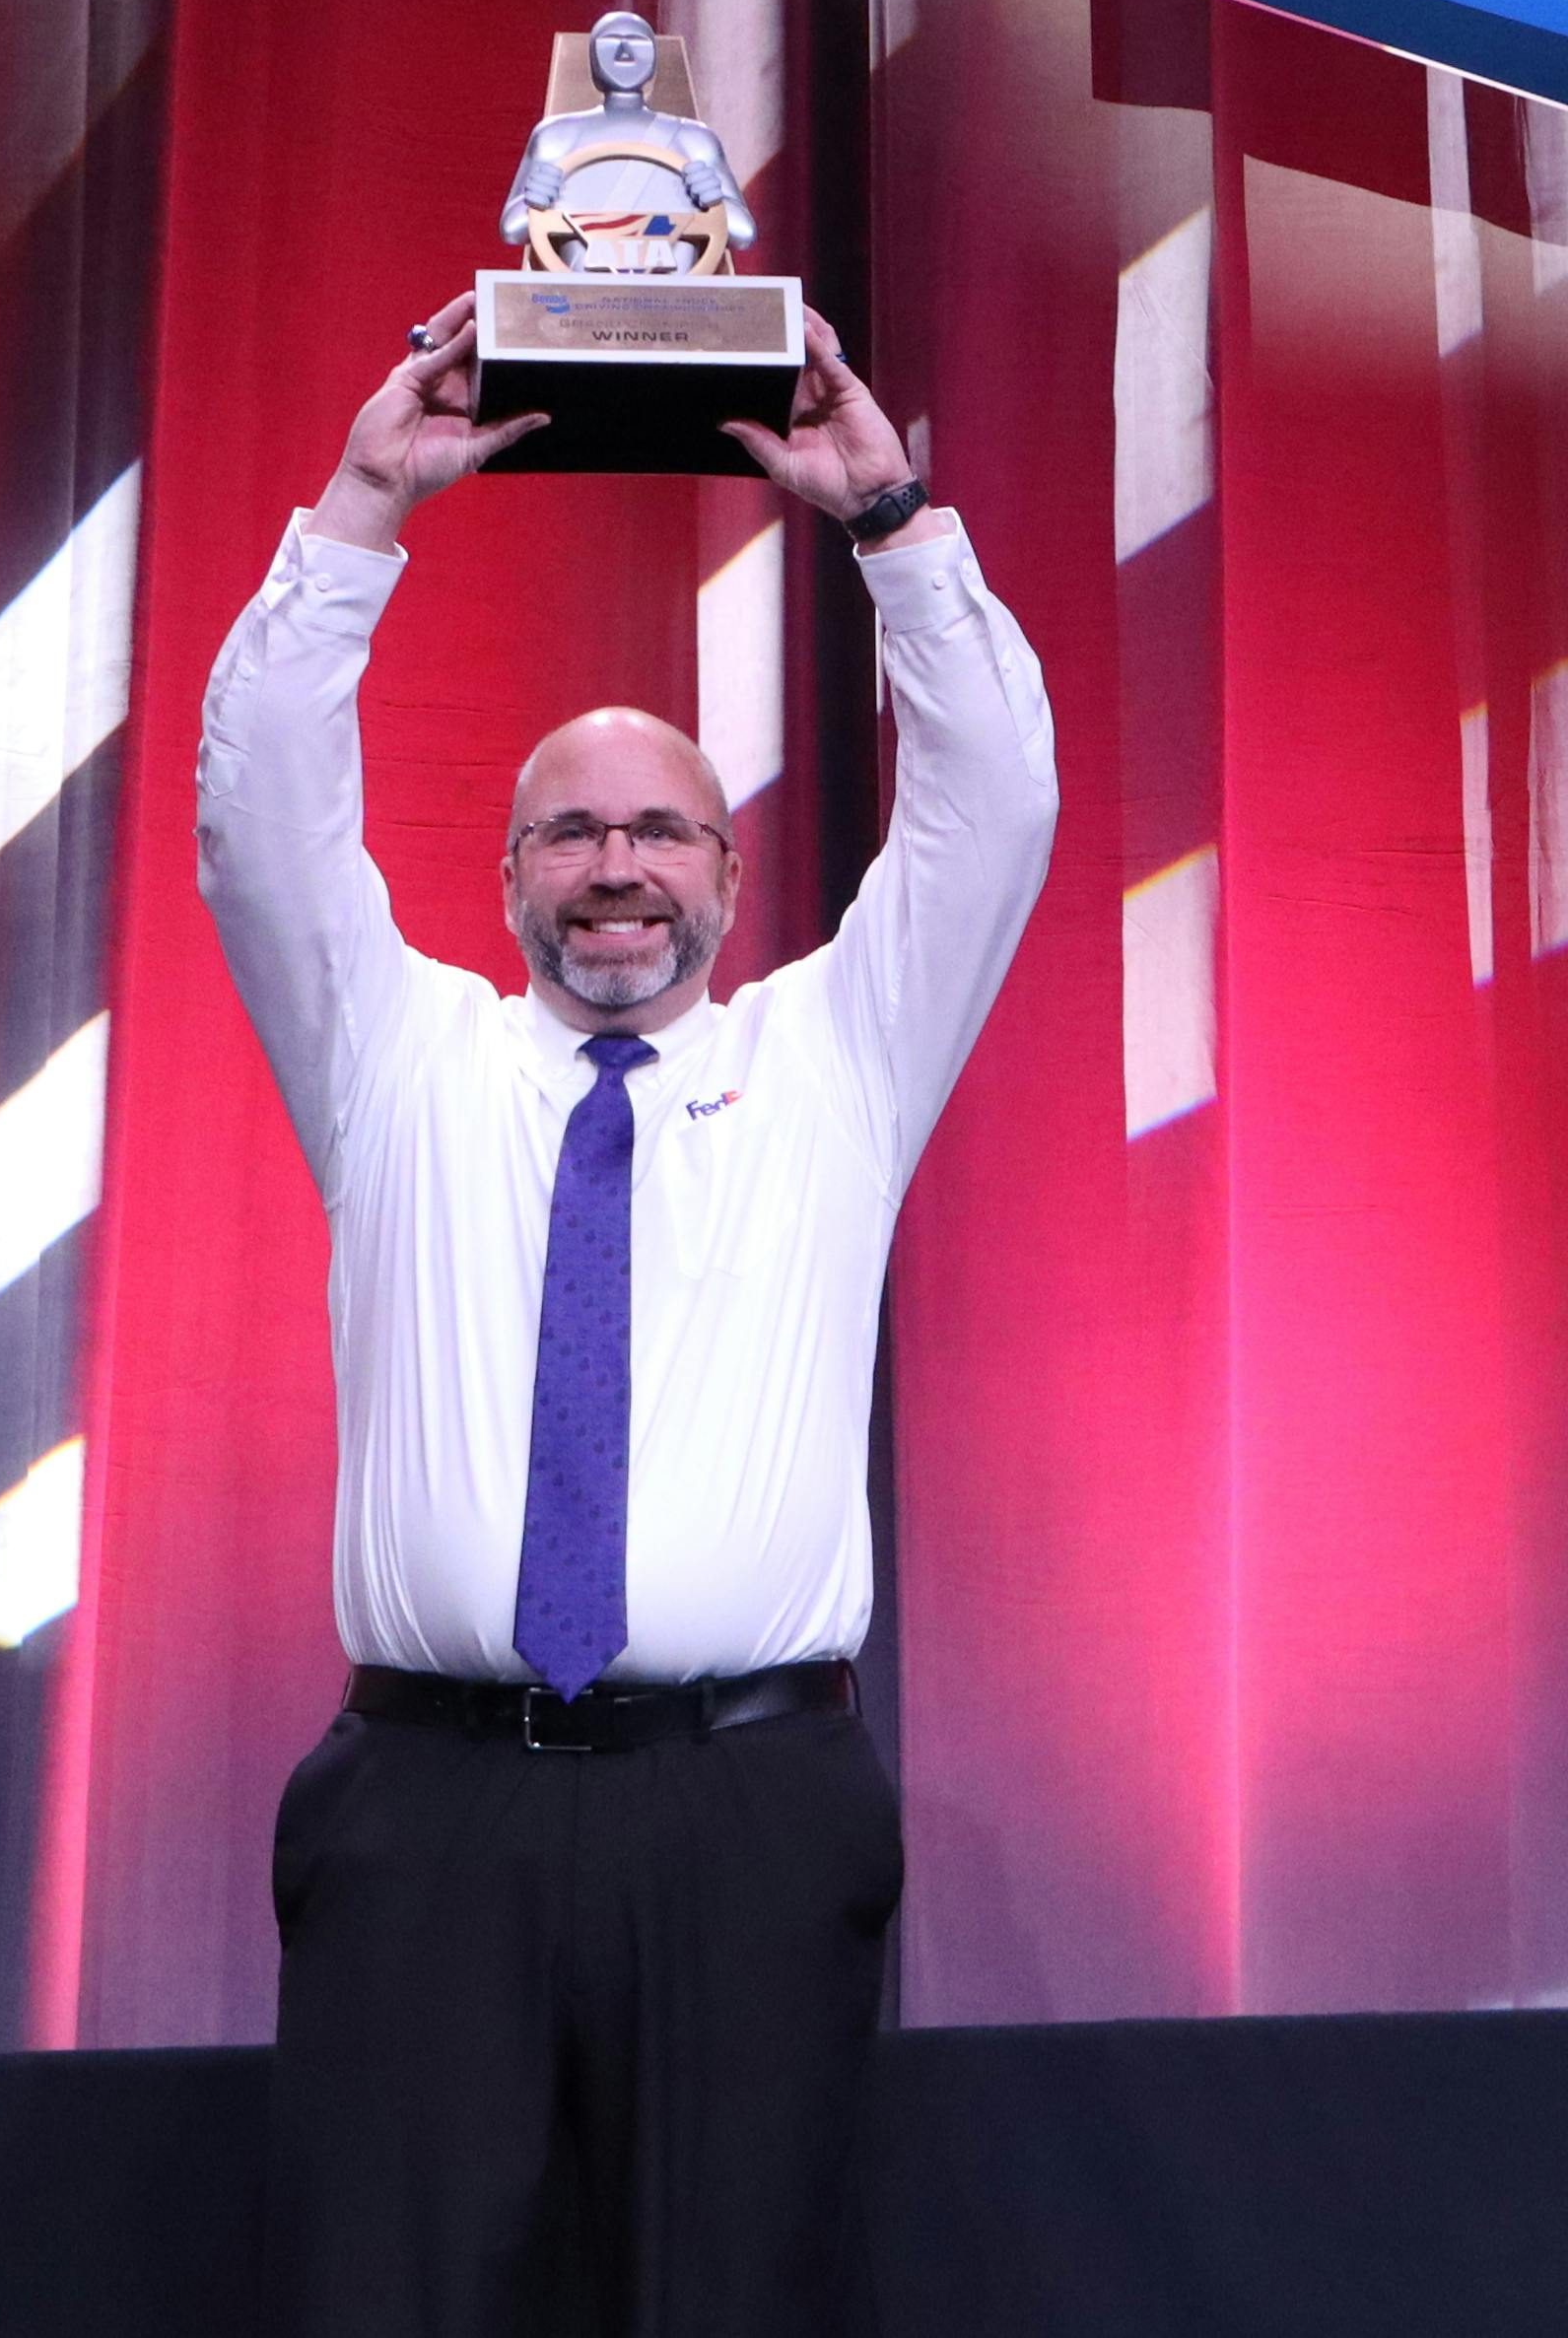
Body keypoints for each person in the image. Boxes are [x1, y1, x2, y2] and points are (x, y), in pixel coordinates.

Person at [195, 289, 1056, 2338]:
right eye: (570, 830)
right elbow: (256, 821)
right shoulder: (399, 1058)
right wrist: (357, 512)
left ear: (731, 877)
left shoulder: (835, 1056)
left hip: (742, 1804)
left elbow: (994, 811)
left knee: (737, 2301)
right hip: (431, 1809)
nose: (615, 866)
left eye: (658, 825)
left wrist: (898, 527)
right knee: (387, 2301)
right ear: (501, 879)